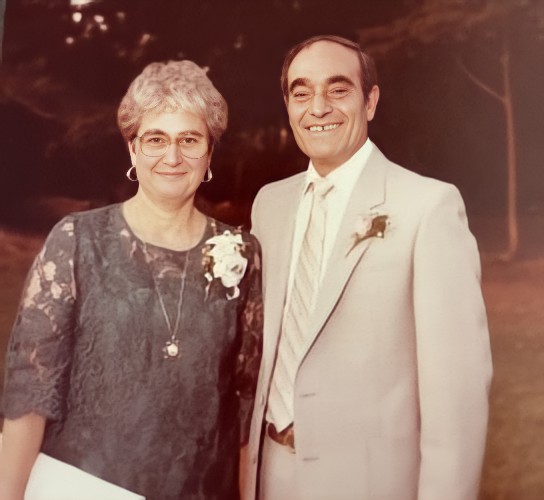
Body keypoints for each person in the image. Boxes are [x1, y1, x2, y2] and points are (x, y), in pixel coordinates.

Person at [242, 35, 492, 500]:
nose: (318, 107)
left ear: (370, 101)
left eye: (338, 90)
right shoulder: (269, 205)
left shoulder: (427, 206)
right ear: (288, 106)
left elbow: (456, 396)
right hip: (269, 476)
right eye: (301, 92)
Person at [0, 60, 262, 500]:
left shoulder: (242, 253)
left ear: (209, 153)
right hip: (82, 488)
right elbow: (31, 391)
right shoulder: (78, 240)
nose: (172, 157)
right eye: (156, 139)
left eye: (189, 140)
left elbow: (245, 405)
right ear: (133, 150)